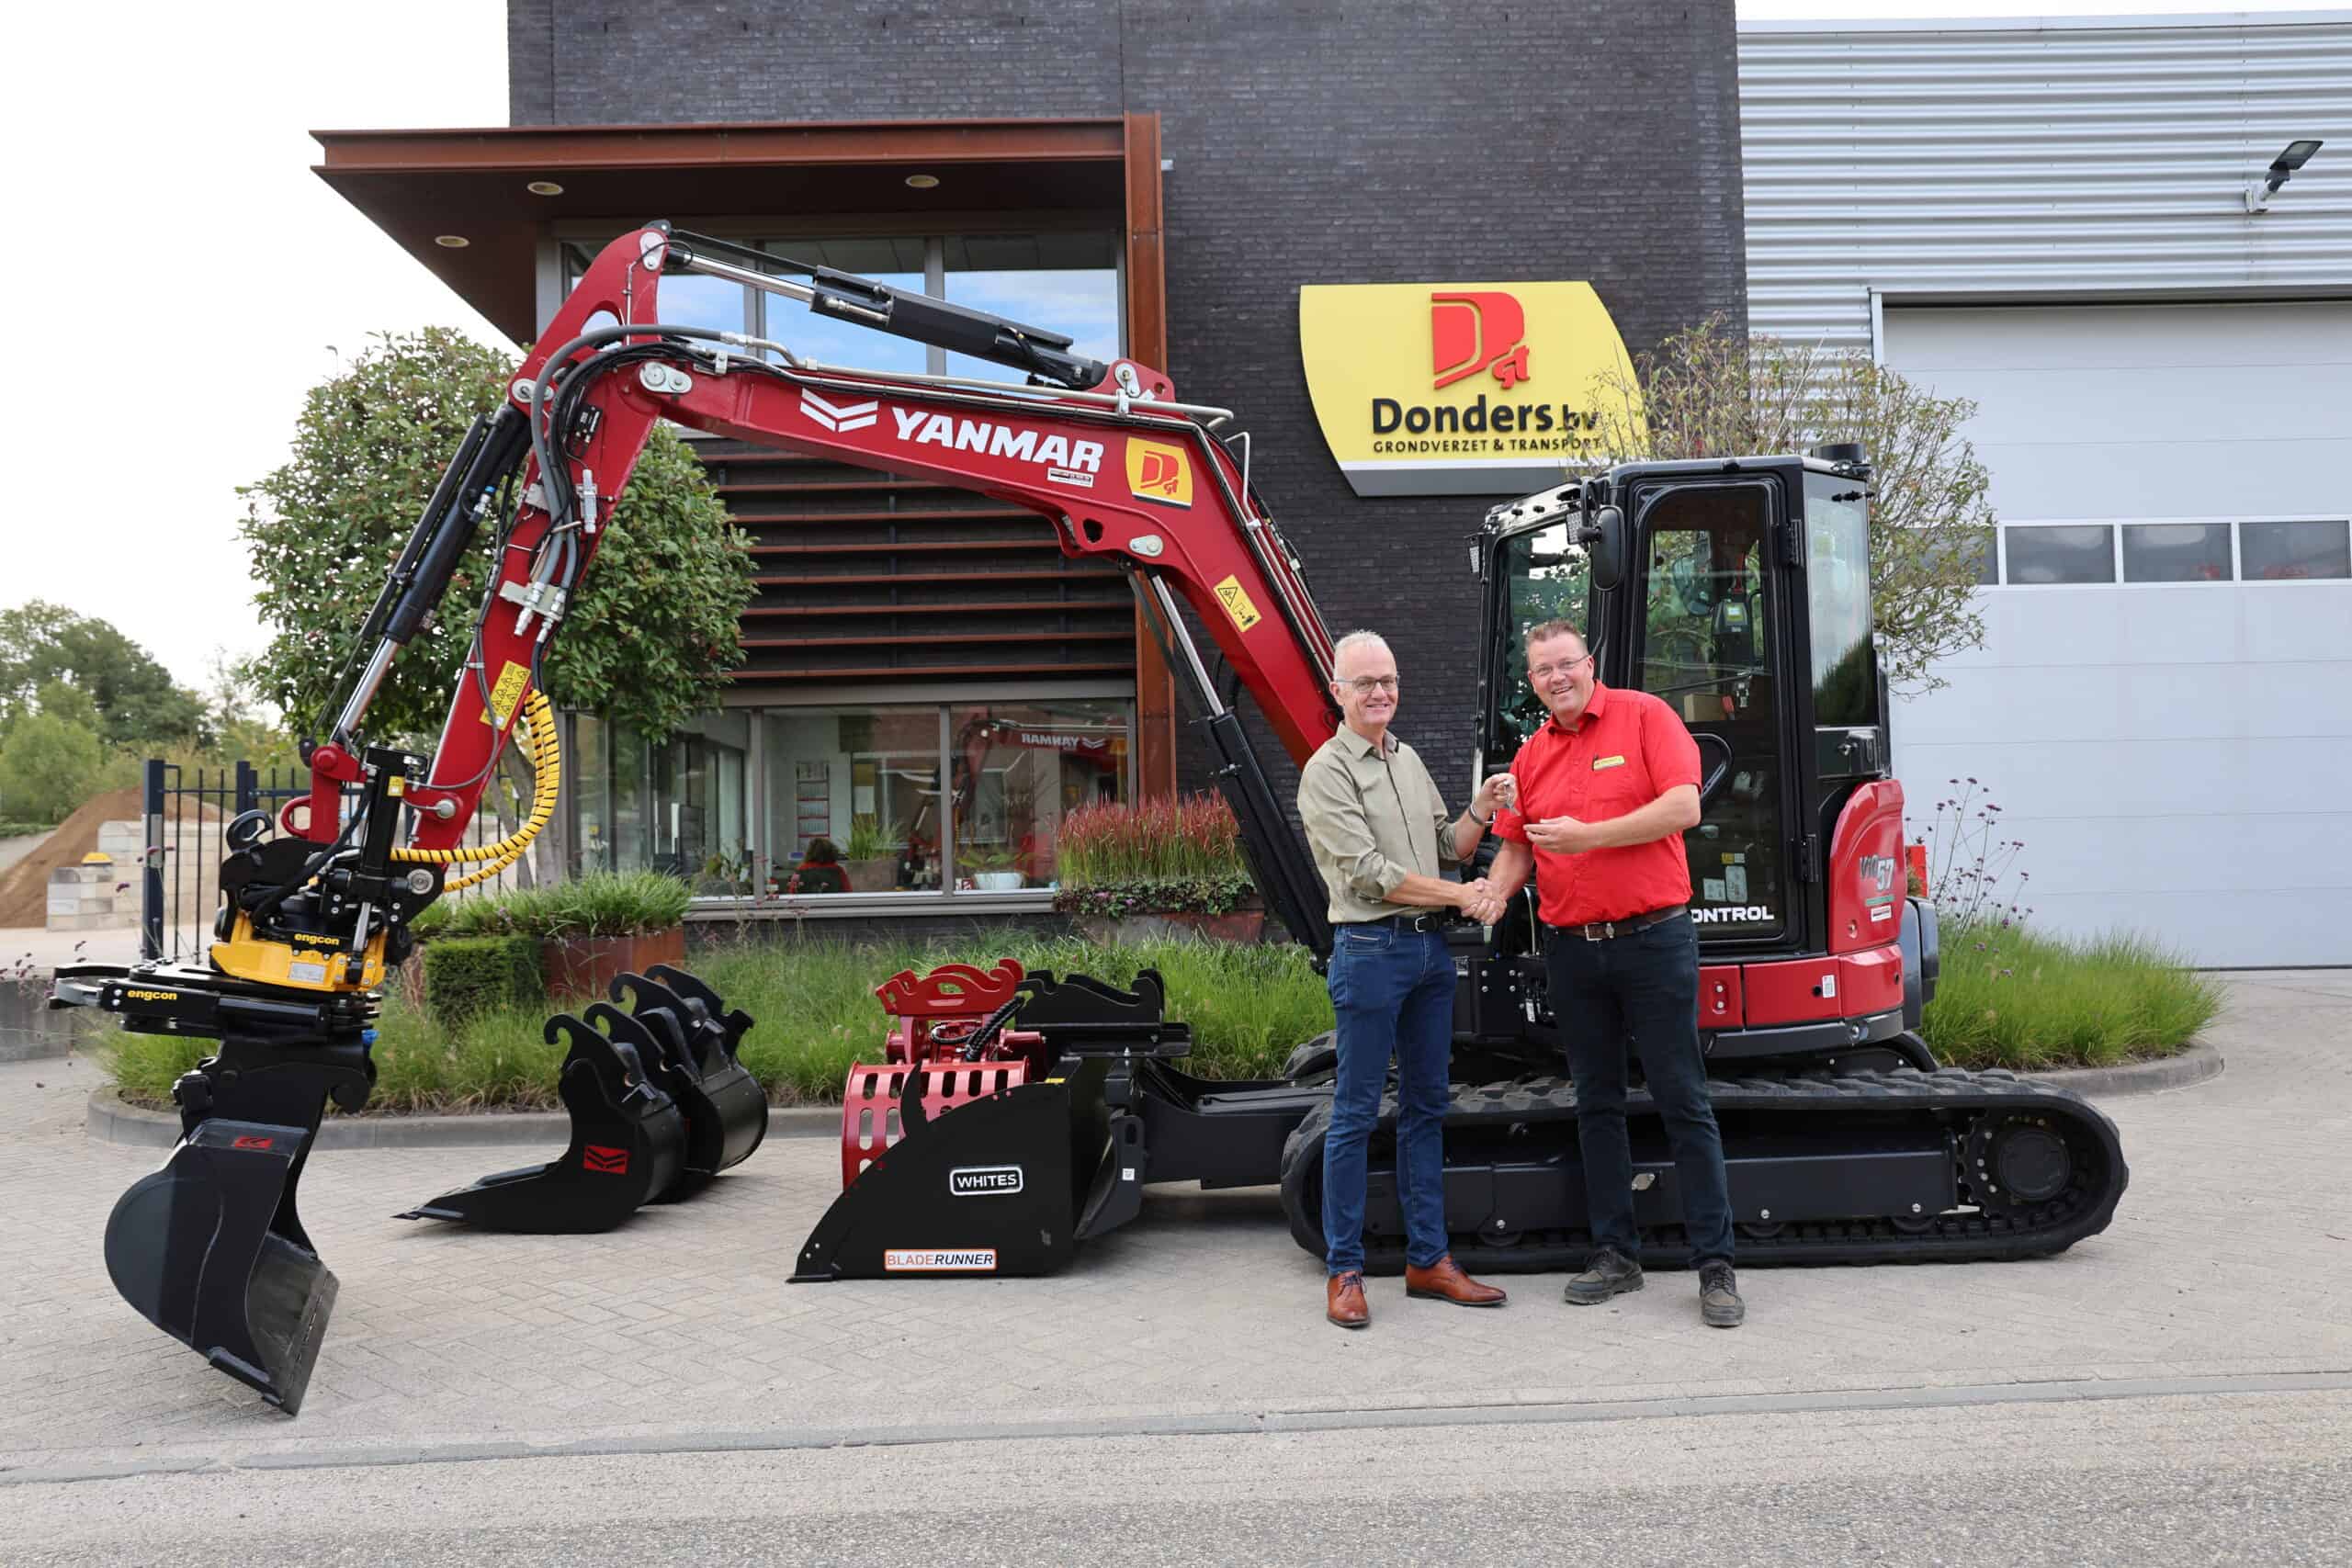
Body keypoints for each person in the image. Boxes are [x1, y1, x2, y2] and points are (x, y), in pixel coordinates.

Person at [1466, 619, 1745, 1327]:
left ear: (1589, 663)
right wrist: (1494, 892)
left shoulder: (1645, 717)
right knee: (1596, 1102)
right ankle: (1616, 1255)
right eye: (1542, 670)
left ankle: (1715, 1267)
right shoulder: (1531, 755)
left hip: (1653, 940)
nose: (1556, 677)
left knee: (1683, 1098)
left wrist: (1588, 837)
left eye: (1565, 663)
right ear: (1531, 682)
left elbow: (1684, 806)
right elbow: (1518, 848)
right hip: (1573, 948)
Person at [1296, 629, 1516, 1329]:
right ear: (1338, 692)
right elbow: (1370, 874)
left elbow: (1451, 845)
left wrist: (1481, 806)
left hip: (1427, 957)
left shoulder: (1408, 756)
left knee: (1427, 1108)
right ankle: (1346, 1270)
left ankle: (1429, 1260)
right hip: (1369, 951)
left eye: (1387, 679)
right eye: (1364, 683)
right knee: (1356, 1114)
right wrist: (1464, 896)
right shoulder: (1326, 771)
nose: (1380, 692)